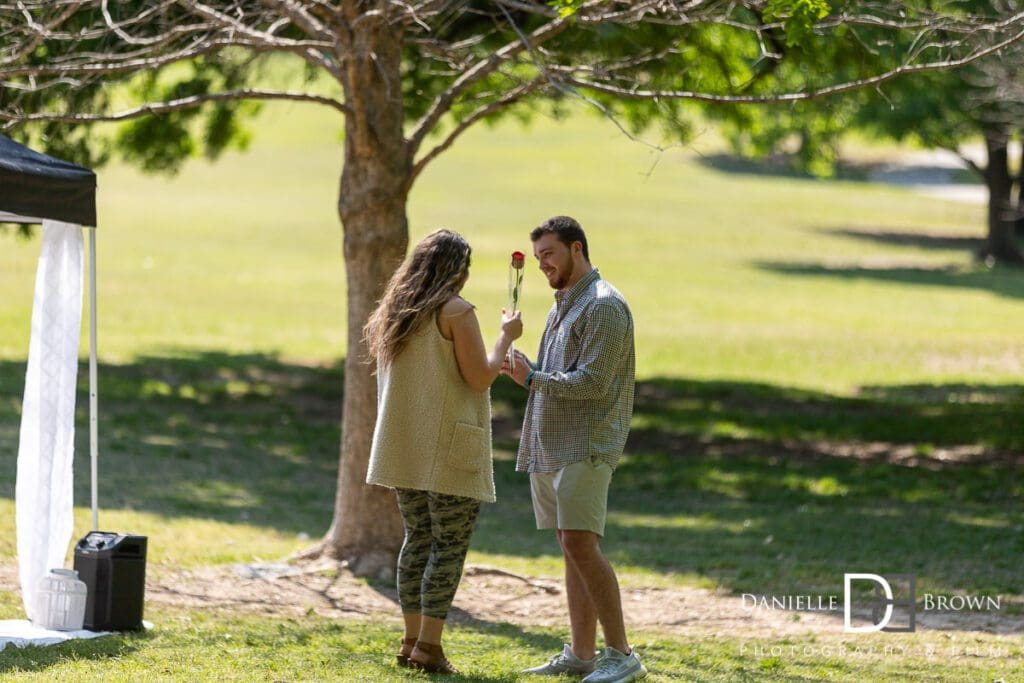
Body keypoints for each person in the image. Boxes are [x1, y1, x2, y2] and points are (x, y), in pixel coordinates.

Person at [365, 228, 523, 675]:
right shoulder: (457, 311)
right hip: (449, 446)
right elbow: (479, 377)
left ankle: (411, 639)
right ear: (459, 269)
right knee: (448, 545)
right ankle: (430, 648)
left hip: (403, 447)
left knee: (417, 539)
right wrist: (505, 338)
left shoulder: (394, 313)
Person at [503, 216, 645, 683]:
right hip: (554, 442)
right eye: (538, 254)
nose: (542, 263)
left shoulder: (603, 306)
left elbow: (592, 384)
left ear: (576, 249)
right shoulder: (562, 303)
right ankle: (582, 654)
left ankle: (622, 654)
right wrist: (530, 367)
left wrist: (532, 378)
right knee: (571, 545)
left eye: (549, 253)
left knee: (581, 543)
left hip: (587, 443)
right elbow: (561, 373)